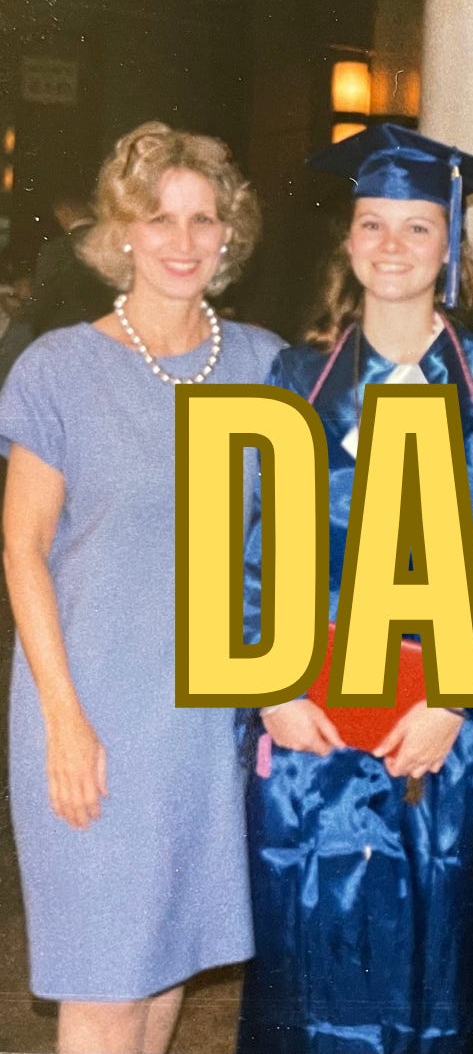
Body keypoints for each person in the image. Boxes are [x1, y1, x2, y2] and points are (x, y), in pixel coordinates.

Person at [236, 124, 473, 1054]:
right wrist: (270, 691)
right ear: (349, 240)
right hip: (311, 720)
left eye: (416, 227)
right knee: (309, 962)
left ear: (449, 246)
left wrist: (459, 703)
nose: (391, 245)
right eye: (372, 224)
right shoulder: (295, 380)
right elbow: (250, 551)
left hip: (439, 730)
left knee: (436, 964)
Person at [0, 120, 282, 1054]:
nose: (183, 240)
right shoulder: (59, 368)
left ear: (229, 235)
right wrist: (64, 721)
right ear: (121, 232)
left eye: (204, 219)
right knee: (105, 983)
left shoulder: (265, 365)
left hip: (208, 726)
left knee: (165, 974)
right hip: (92, 709)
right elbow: (22, 548)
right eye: (159, 218)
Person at [29, 191, 114, 335]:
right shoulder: (113, 245)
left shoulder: (55, 249)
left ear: (64, 212)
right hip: (108, 332)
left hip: (65, 332)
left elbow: (43, 299)